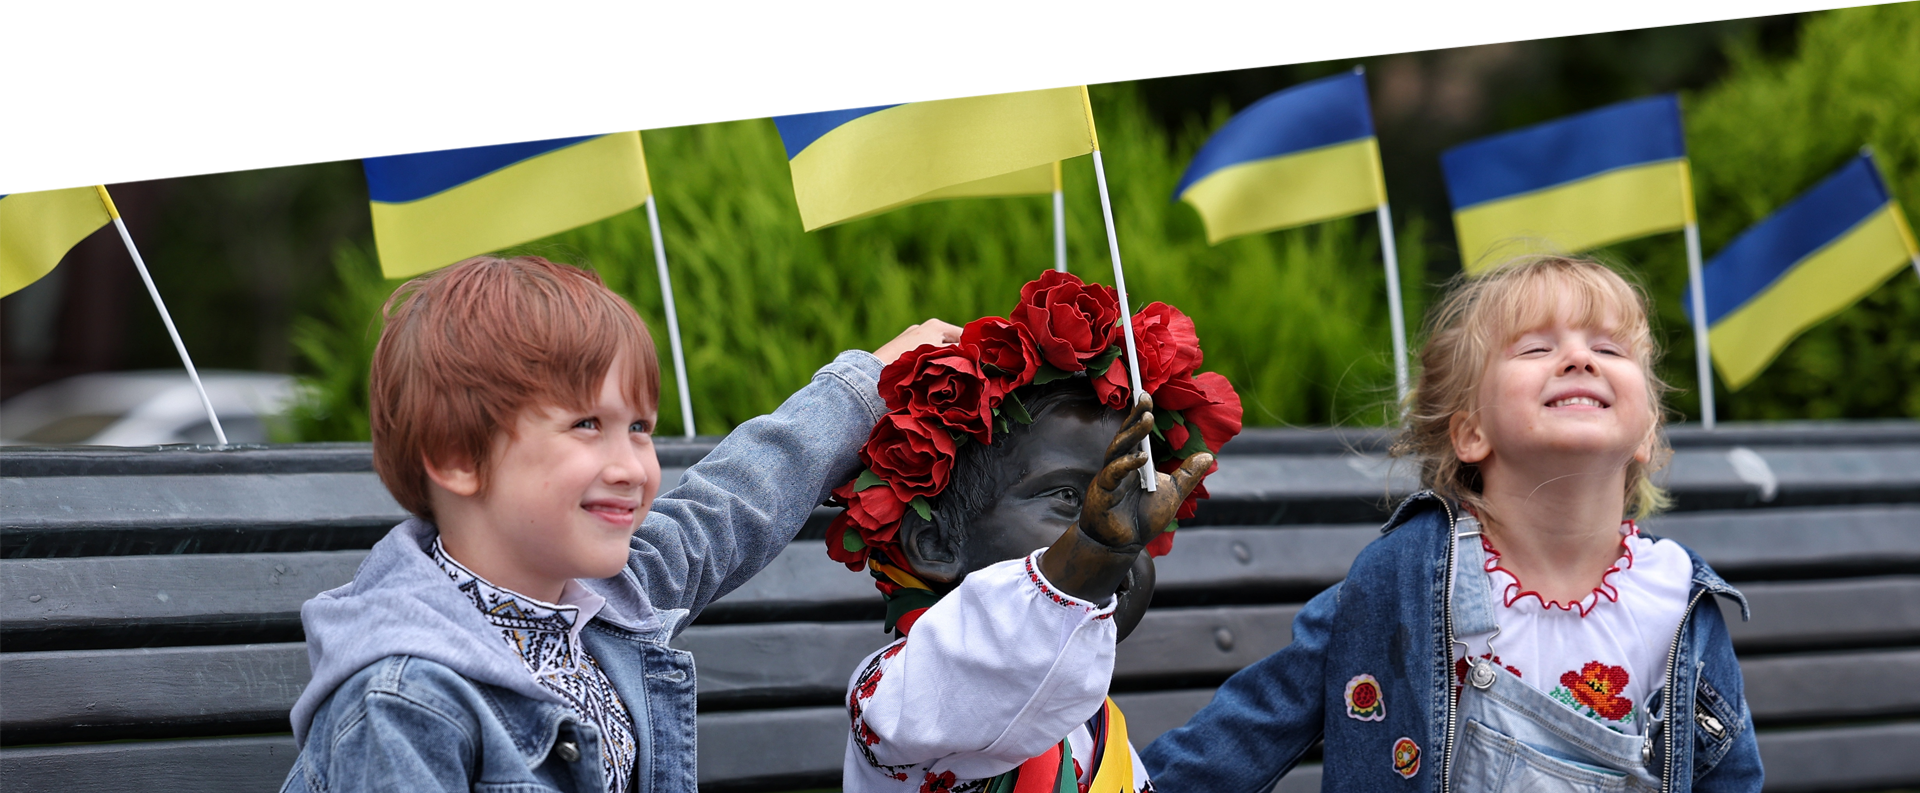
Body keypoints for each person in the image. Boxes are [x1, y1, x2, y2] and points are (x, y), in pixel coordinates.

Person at [280, 254, 958, 793]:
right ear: (458, 458)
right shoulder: (402, 706)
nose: (633, 466)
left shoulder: (598, 599)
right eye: (587, 426)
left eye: (638, 428)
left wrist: (872, 381)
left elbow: (729, 508)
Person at [1143, 255, 1763, 792]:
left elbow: (1729, 775)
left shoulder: (1679, 600)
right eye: (1537, 348)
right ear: (1470, 431)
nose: (1579, 358)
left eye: (1608, 348)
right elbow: (1253, 728)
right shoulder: (1404, 581)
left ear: (1647, 434)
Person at [829, 271, 1243, 792]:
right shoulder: (897, 695)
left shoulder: (1091, 726)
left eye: (1128, 499)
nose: (1119, 528)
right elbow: (992, 666)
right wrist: (1087, 555)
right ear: (935, 543)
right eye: (1071, 498)